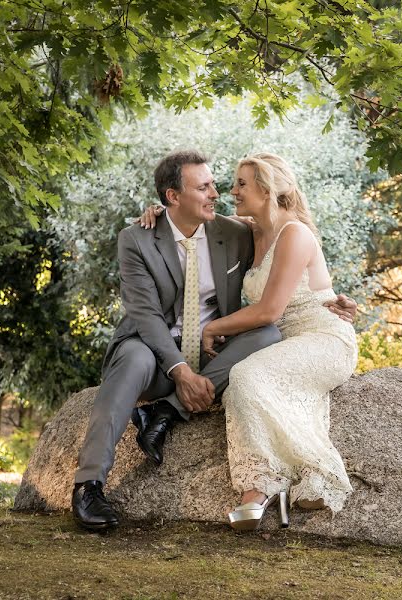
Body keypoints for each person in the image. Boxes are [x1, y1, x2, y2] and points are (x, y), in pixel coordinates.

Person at [71, 150, 356, 531]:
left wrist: (333, 301)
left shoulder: (236, 232)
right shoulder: (136, 239)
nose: (217, 193)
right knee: (133, 360)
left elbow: (291, 275)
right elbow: (146, 316)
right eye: (204, 187)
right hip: (156, 352)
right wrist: (180, 370)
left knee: (266, 336)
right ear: (173, 197)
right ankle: (89, 486)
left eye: (221, 184)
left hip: (214, 356)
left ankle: (165, 411)